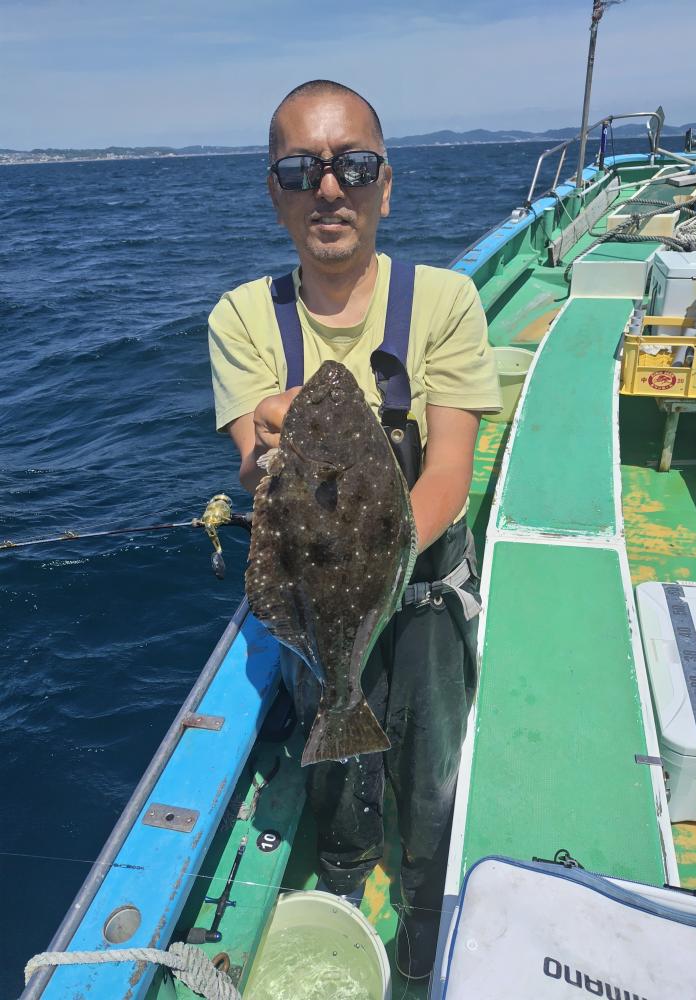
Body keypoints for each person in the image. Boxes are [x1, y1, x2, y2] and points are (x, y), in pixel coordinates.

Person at [208, 79, 502, 979]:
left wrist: (385, 562)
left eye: (354, 166)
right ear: (275, 192)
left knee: (431, 760)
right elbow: (251, 471)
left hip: (421, 586)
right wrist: (269, 439)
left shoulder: (445, 300)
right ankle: (340, 878)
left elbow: (447, 471)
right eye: (301, 170)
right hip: (316, 592)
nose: (329, 189)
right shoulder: (240, 318)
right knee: (333, 759)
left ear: (386, 185)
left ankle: (424, 900)